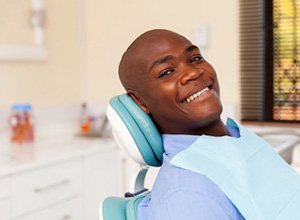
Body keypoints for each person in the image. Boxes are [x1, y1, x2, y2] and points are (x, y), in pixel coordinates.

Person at [118, 29, 245, 220]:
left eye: (194, 59)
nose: (192, 73)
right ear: (140, 102)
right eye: (167, 72)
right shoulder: (189, 196)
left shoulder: (236, 137)